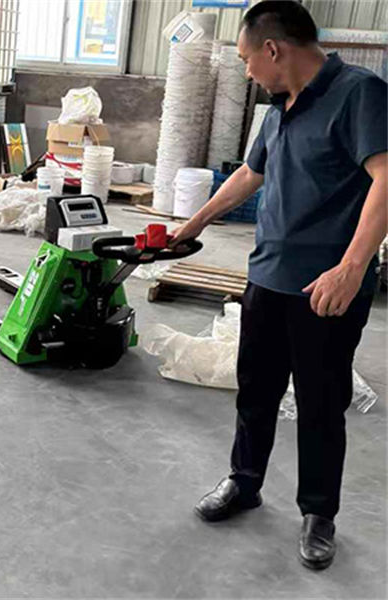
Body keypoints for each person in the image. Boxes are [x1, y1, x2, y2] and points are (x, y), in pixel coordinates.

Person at [169, 0, 387, 571]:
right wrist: (193, 224)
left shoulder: (359, 93)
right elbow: (251, 173)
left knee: (320, 404)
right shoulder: (278, 108)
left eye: (247, 59)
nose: (246, 71)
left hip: (326, 289)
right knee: (256, 391)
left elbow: (386, 177)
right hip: (267, 278)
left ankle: (319, 513)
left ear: (273, 49)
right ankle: (244, 482)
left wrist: (352, 267)